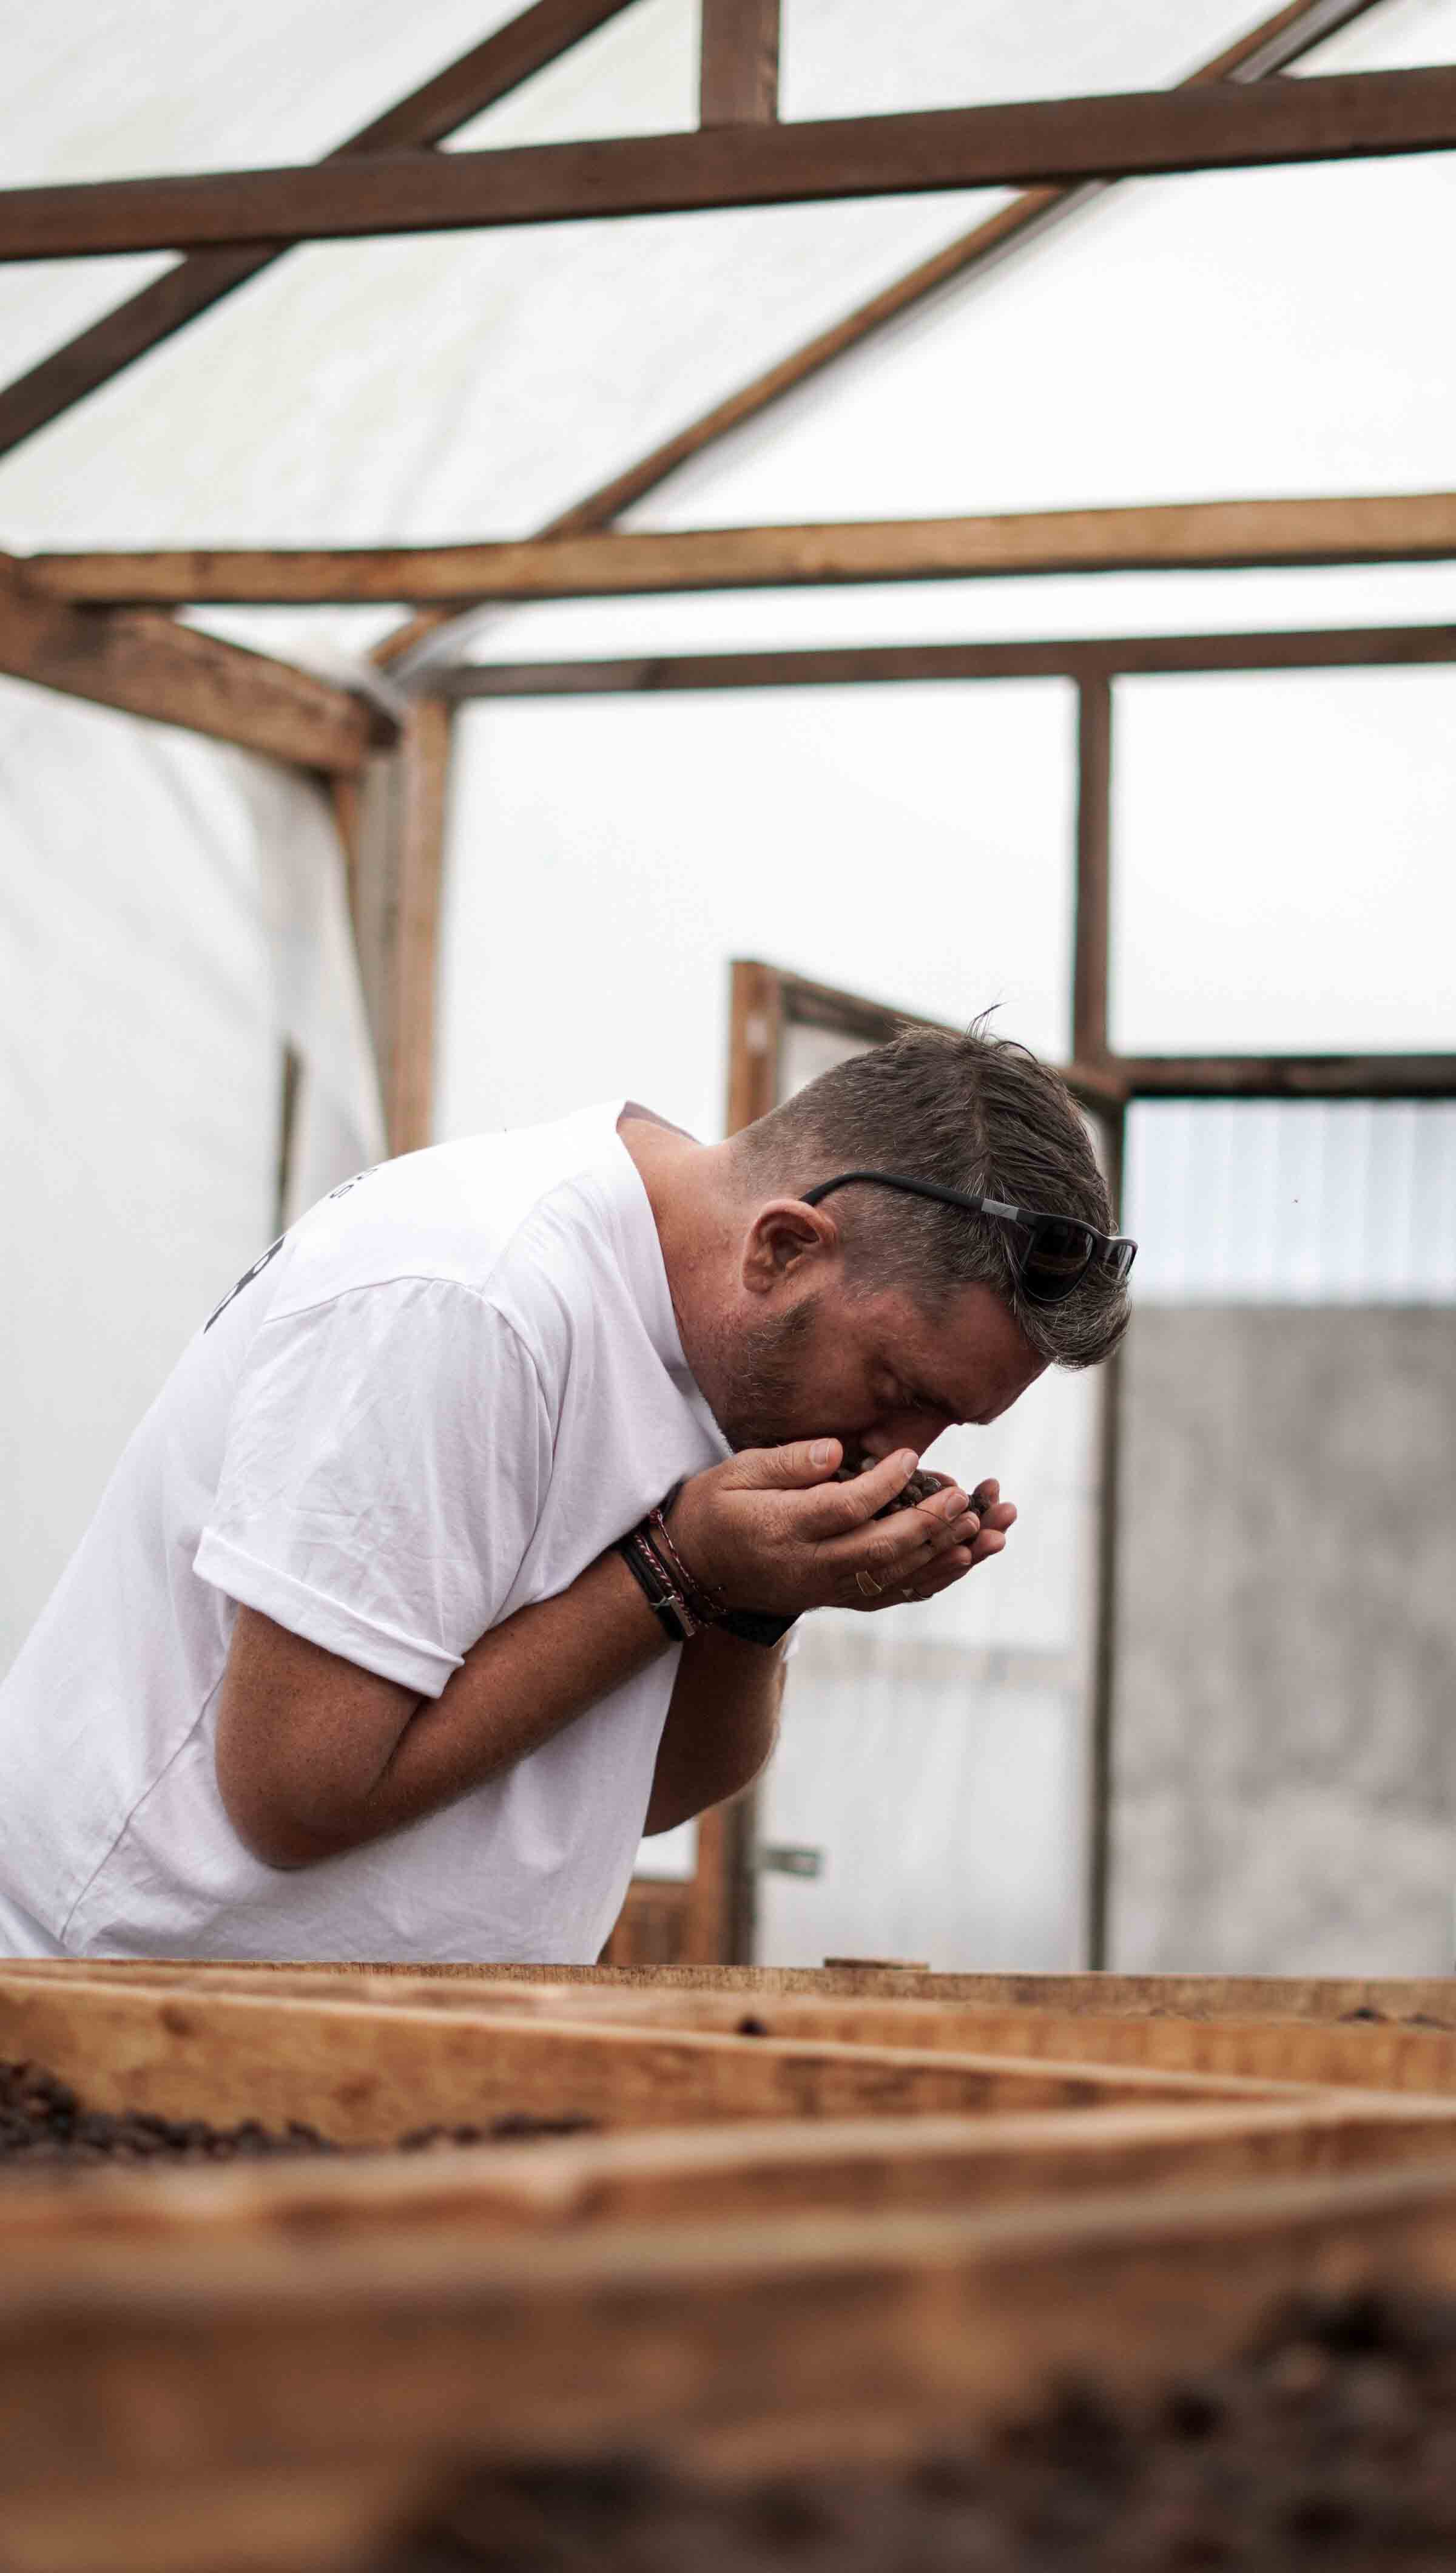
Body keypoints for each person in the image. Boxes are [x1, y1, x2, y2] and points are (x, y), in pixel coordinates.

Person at [0, 1024, 1131, 1964]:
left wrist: (760, 1596)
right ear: (783, 1249)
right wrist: (673, 1572)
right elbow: (293, 1794)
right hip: (113, 2014)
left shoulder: (737, 1360)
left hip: (386, 2059)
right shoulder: (467, 1294)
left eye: (950, 1424)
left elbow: (644, 1796)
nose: (902, 1449)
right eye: (896, 1388)